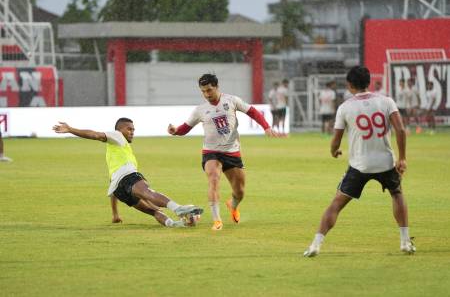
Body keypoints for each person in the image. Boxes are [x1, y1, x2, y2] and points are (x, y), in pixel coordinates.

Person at [303, 66, 415, 257]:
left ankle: (315, 244)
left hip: (360, 165)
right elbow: (401, 130)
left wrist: (334, 151)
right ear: (369, 82)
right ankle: (405, 242)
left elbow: (336, 140)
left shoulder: (345, 107)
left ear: (349, 85)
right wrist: (402, 157)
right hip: (386, 162)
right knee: (397, 194)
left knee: (336, 204)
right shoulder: (386, 101)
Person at [168, 74, 280, 230]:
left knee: (239, 191)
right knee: (213, 178)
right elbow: (185, 128)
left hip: (232, 152)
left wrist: (266, 126)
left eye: (209, 90)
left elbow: (252, 111)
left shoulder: (232, 101)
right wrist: (175, 131)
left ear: (217, 87)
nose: (207, 94)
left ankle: (232, 205)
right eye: (203, 91)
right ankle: (217, 220)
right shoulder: (200, 110)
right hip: (211, 151)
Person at [53, 118, 203, 228]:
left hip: (118, 189)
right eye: (129, 129)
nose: (132, 132)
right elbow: (95, 135)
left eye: (133, 130)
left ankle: (176, 224)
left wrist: (115, 214)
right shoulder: (117, 136)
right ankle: (178, 208)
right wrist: (71, 129)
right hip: (128, 178)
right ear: (120, 130)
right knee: (148, 192)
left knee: (153, 210)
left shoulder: (116, 153)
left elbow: (112, 185)